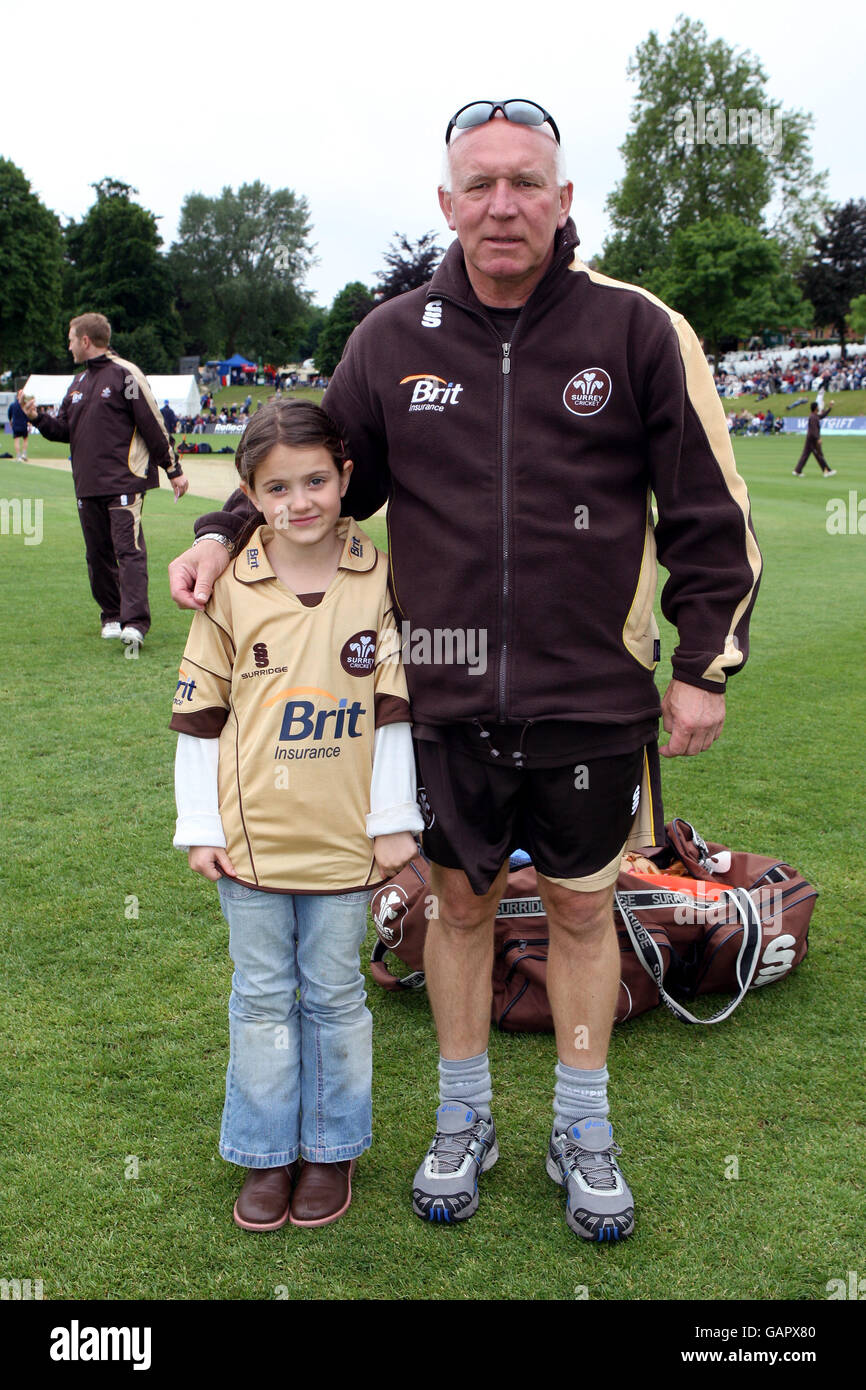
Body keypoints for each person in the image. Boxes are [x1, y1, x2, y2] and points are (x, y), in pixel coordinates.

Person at [168, 99, 762, 1242]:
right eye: (478, 184)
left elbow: (704, 507)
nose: (502, 204)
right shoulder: (391, 339)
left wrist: (704, 664)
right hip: (435, 697)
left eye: (524, 182)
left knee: (585, 914)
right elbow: (315, 465)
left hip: (590, 695)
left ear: (563, 197)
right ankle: (462, 1118)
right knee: (455, 904)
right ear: (445, 203)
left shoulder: (636, 331)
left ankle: (582, 1125)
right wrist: (219, 528)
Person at [171, 399, 422, 1230]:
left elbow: (393, 712)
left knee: (335, 994)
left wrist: (393, 819)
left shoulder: (381, 577)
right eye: (278, 487)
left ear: (346, 477)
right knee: (262, 997)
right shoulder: (228, 588)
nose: (301, 501)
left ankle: (331, 1146)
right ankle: (266, 1153)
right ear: (249, 491)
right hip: (252, 845)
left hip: (347, 842)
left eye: (317, 480)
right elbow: (200, 721)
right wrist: (199, 825)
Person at [18, 313, 188, 647]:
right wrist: (37, 418)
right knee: (97, 555)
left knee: (128, 551)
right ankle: (111, 615)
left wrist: (174, 469)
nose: (67, 347)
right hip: (87, 485)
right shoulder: (78, 383)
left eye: (70, 339)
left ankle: (135, 623)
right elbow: (64, 430)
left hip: (125, 481)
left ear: (85, 340)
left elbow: (152, 423)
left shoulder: (125, 374)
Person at [792, 401, 836, 477]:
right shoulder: (813, 417)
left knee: (805, 455)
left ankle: (797, 471)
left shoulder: (814, 416)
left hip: (810, 439)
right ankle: (827, 470)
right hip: (812, 440)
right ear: (816, 408)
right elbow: (813, 429)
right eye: (818, 406)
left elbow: (822, 416)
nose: (818, 407)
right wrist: (818, 438)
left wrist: (829, 408)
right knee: (819, 455)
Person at [7, 396, 30, 460]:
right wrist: (28, 422)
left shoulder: (13, 405)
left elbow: (9, 414)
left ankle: (18, 456)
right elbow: (27, 414)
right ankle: (24, 454)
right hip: (23, 425)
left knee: (17, 440)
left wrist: (10, 421)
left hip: (16, 425)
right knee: (25, 439)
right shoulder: (25, 405)